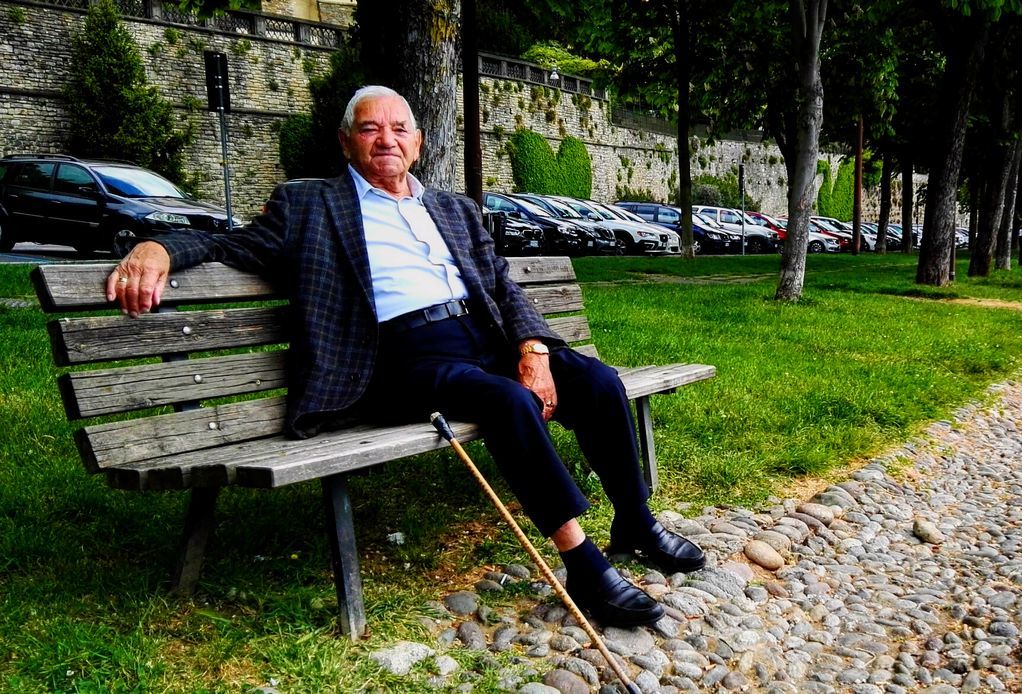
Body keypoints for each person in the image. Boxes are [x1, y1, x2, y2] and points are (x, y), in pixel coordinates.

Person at [105, 86, 704, 629]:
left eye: (398, 129)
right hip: (396, 359)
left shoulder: (453, 208)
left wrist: (533, 346)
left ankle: (634, 522)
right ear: (346, 143)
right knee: (505, 399)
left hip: (484, 337)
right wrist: (156, 247)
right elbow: (227, 243)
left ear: (418, 143)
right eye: (369, 129)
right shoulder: (308, 204)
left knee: (597, 381)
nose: (385, 139)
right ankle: (584, 563)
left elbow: (501, 284)